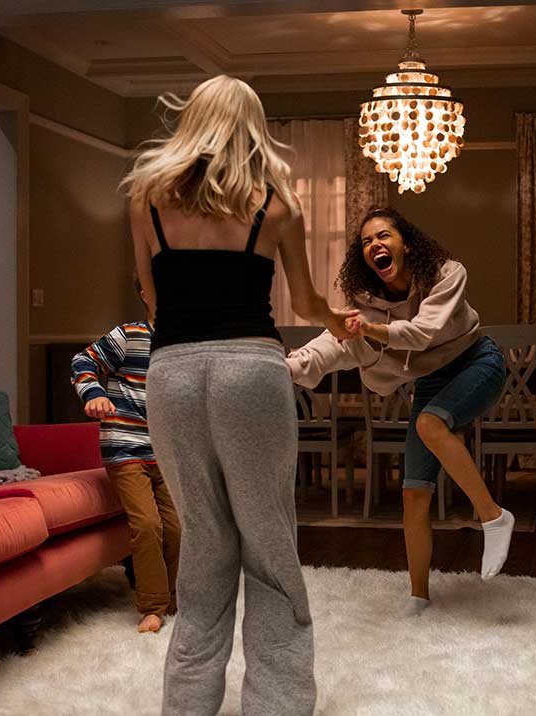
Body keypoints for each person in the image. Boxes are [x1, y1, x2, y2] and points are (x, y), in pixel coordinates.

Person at [121, 75, 356, 716]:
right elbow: (304, 302)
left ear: (192, 121)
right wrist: (338, 322)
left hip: (171, 372)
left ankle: (188, 704)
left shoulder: (146, 199)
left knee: (204, 540)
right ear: (253, 128)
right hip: (251, 372)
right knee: (269, 539)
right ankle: (276, 704)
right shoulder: (276, 205)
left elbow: (151, 298)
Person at [287, 207, 514, 617]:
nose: (374, 244)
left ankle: (493, 517)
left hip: (477, 362)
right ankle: (418, 596)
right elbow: (329, 344)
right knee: (413, 493)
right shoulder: (366, 307)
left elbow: (423, 333)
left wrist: (368, 329)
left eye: (383, 236)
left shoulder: (447, 274)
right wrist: (280, 367)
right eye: (366, 242)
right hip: (430, 382)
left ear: (405, 244)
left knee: (429, 423)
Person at [71, 278, 180, 634]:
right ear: (146, 294)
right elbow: (83, 360)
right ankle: (153, 607)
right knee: (148, 525)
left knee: (178, 527)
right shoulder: (129, 335)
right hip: (126, 445)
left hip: (167, 453)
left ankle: (174, 600)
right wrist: (93, 394)